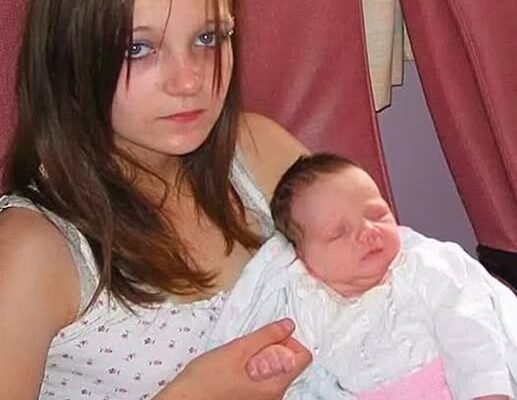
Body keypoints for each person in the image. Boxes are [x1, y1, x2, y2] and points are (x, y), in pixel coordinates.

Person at [0, 0, 313, 398]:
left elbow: (383, 286)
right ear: (70, 56)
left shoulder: (261, 155)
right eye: (138, 48)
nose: (189, 81)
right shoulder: (33, 249)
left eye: (209, 38)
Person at [209, 153, 517, 399]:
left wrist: (486, 392)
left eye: (377, 214)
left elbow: (469, 330)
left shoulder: (423, 267)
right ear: (304, 259)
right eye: (339, 233)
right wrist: (274, 359)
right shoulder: (307, 300)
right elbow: (297, 363)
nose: (369, 231)